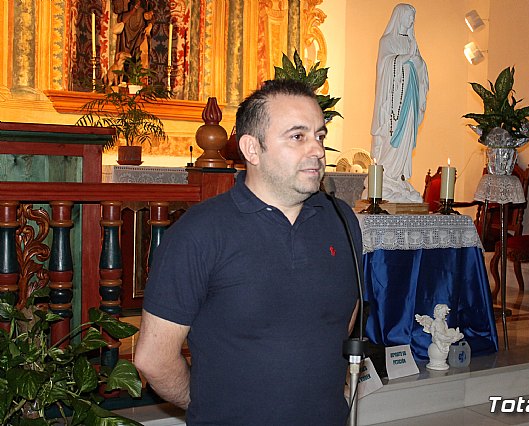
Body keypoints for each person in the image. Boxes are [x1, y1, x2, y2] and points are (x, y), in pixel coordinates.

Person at [134, 79, 362, 425]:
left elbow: (342, 320)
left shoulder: (342, 220)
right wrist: (208, 404)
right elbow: (153, 358)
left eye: (320, 136)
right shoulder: (200, 232)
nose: (316, 150)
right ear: (252, 150)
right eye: (298, 137)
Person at [369, 3, 429, 203]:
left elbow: (421, 67)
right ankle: (387, 178)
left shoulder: (413, 42)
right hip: (393, 103)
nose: (411, 21)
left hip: (410, 97)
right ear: (399, 17)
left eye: (413, 18)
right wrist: (404, 59)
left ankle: (399, 177)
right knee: (392, 136)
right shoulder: (387, 40)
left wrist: (417, 62)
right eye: (408, 17)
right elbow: (384, 65)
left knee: (406, 138)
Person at [112, 0, 154, 69]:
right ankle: (124, 76)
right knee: (124, 58)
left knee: (141, 55)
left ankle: (139, 76)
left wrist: (150, 24)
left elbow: (151, 13)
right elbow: (117, 9)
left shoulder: (145, 3)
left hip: (141, 30)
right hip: (126, 30)